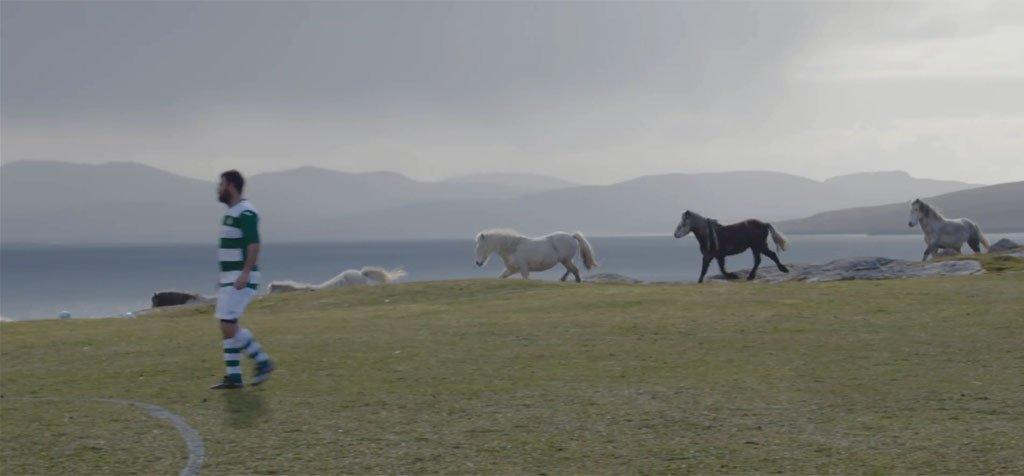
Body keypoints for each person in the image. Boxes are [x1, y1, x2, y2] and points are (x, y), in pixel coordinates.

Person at [210, 170, 274, 389]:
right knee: (226, 324)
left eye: (221, 184)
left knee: (228, 323)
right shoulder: (232, 213)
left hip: (241, 278)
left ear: (231, 186)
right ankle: (234, 376)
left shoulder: (246, 212)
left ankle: (262, 361)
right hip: (230, 278)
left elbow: (253, 245)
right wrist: (224, 277)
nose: (218, 188)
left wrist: (245, 273)